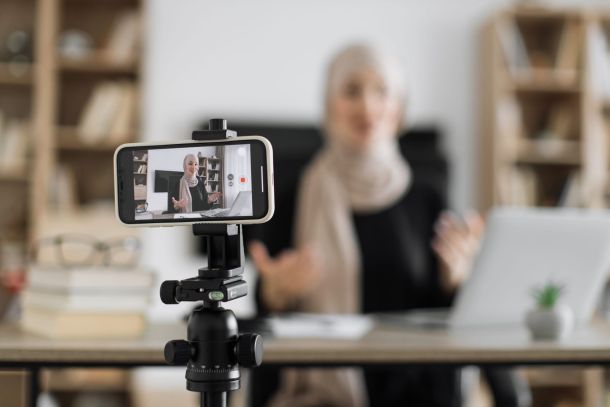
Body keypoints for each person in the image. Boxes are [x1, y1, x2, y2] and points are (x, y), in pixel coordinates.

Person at [248, 44, 531, 407]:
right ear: (328, 105)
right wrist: (274, 293)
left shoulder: (428, 196)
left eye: (382, 91)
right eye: (351, 91)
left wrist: (457, 280)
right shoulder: (290, 197)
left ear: (399, 109)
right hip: (319, 398)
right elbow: (265, 308)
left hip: (414, 394)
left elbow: (445, 314)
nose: (367, 106)